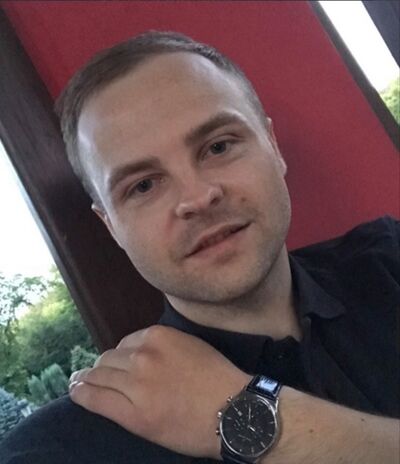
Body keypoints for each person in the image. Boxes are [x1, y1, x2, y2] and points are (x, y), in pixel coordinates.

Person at [0, 31, 399, 464]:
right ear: (111, 226)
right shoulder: (57, 450)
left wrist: (243, 412)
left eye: (218, 147)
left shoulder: (389, 257)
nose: (197, 197)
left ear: (273, 146)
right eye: (143, 185)